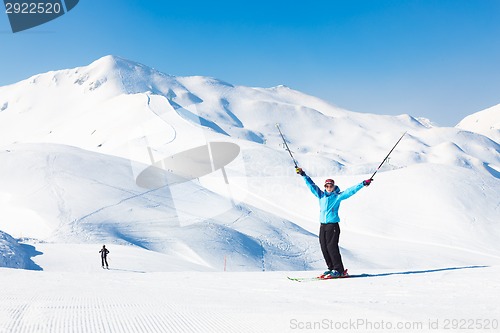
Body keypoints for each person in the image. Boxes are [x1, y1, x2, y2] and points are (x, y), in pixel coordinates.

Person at [296, 167, 372, 278]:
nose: (329, 188)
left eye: (331, 186)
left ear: (333, 186)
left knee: (332, 247)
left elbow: (350, 191)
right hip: (323, 225)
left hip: (333, 226)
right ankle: (331, 268)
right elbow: (311, 185)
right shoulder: (321, 195)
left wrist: (363, 184)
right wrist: (303, 174)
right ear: (325, 187)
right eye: (327, 186)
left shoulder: (337, 197)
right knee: (324, 247)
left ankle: (339, 270)